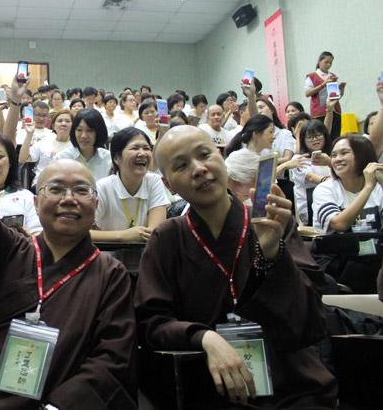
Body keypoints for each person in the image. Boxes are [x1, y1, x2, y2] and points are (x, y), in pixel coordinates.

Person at [0, 97, 138, 409]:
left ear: (96, 204)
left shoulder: (110, 274)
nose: (69, 199)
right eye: (55, 189)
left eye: (81, 191)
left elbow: (111, 358)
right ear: (35, 201)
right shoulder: (10, 250)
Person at [135, 125, 337, 408]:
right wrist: (203, 337)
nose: (199, 169)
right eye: (181, 165)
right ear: (168, 185)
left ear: (221, 159)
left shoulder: (271, 222)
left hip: (291, 384)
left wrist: (272, 254)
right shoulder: (167, 238)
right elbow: (151, 322)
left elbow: (310, 320)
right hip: (212, 387)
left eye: (204, 155)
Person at [312, 134, 383, 293]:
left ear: (362, 155)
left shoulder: (379, 189)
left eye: (344, 153)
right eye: (334, 155)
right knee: (359, 270)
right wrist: (368, 188)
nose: (337, 159)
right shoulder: (325, 189)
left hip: (373, 255)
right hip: (336, 259)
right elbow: (339, 224)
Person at [91, 128, 168, 242]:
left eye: (146, 148)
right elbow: (83, 232)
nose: (142, 153)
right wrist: (123, 235)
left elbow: (155, 232)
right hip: (107, 252)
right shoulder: (102, 188)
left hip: (145, 251)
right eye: (135, 148)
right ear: (116, 158)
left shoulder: (154, 182)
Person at [291, 119, 333, 225]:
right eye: (309, 137)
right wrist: (335, 181)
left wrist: (330, 162)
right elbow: (311, 177)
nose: (315, 139)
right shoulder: (299, 159)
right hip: (310, 207)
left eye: (318, 135)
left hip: (333, 199)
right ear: (303, 140)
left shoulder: (331, 157)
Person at [54, 108, 112, 183]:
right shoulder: (62, 158)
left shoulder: (109, 159)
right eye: (79, 130)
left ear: (99, 132)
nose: (83, 136)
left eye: (89, 130)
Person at [19, 109, 73, 188]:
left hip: (67, 185)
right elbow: (22, 159)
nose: (63, 124)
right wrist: (29, 134)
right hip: (42, 184)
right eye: (60, 121)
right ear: (53, 125)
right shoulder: (44, 142)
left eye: (67, 121)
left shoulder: (76, 146)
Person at [305, 51, 344, 138]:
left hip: (335, 111)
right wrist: (323, 84)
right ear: (319, 61)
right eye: (326, 62)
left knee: (335, 137)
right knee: (322, 136)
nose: (328, 65)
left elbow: (335, 95)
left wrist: (341, 90)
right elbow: (307, 93)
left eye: (330, 63)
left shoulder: (332, 75)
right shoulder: (312, 76)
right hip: (319, 113)